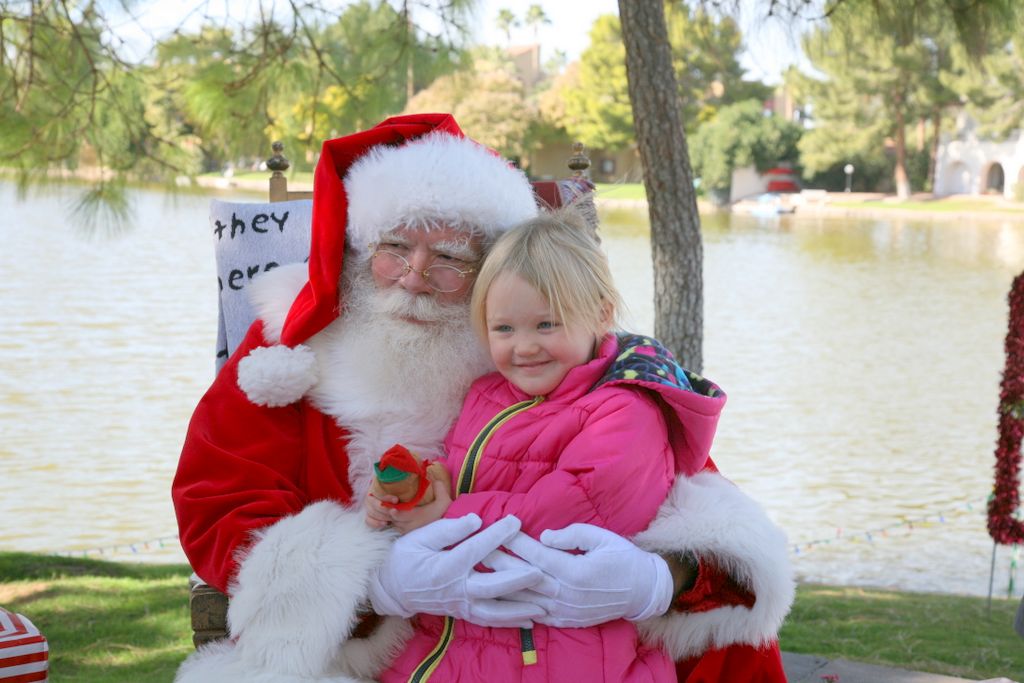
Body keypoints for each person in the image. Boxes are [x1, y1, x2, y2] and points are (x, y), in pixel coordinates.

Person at [172, 113, 794, 683]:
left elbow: (683, 490)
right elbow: (218, 496)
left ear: (491, 274)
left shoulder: (550, 354)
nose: (415, 276)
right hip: (369, 653)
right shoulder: (292, 340)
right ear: (364, 245)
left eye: (449, 257)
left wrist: (661, 582)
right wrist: (375, 585)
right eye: (395, 248)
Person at [367, 208, 686, 681]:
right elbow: (467, 473)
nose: (524, 347)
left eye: (546, 325)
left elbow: (568, 515)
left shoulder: (624, 409)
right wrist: (417, 493)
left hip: (563, 655)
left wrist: (443, 517)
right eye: (504, 329)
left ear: (600, 312)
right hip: (452, 649)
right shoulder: (486, 393)